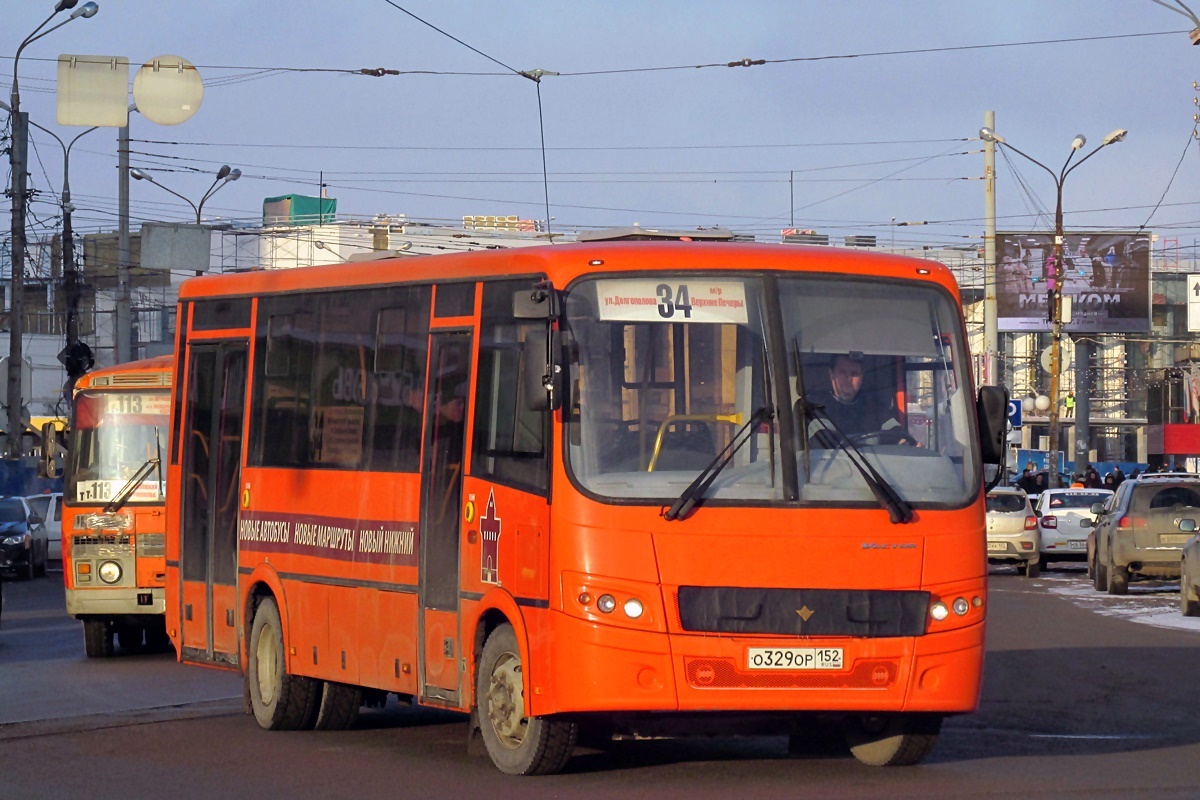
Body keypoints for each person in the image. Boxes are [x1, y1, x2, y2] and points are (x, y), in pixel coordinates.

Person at [802, 353, 909, 445]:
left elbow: (895, 431)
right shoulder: (816, 407)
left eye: (854, 374)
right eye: (842, 372)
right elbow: (824, 442)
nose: (849, 379)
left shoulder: (874, 407)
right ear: (831, 374)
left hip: (874, 468)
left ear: (862, 377)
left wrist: (904, 441)